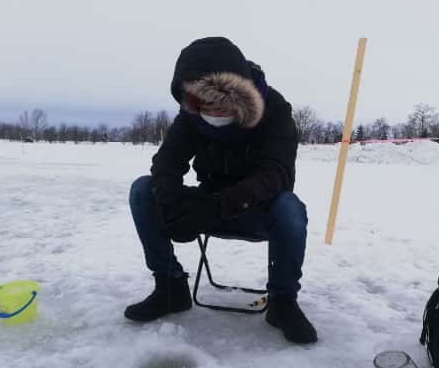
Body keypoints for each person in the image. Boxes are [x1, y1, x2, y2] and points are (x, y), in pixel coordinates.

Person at [125, 37, 317, 344]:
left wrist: (214, 207)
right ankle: (170, 287)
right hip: (207, 204)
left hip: (255, 210)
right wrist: (171, 203)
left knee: (290, 208)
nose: (210, 110)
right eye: (201, 103)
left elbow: (276, 175)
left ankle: (283, 302)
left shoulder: (276, 110)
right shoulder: (191, 115)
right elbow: (166, 162)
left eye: (217, 102)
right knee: (142, 191)